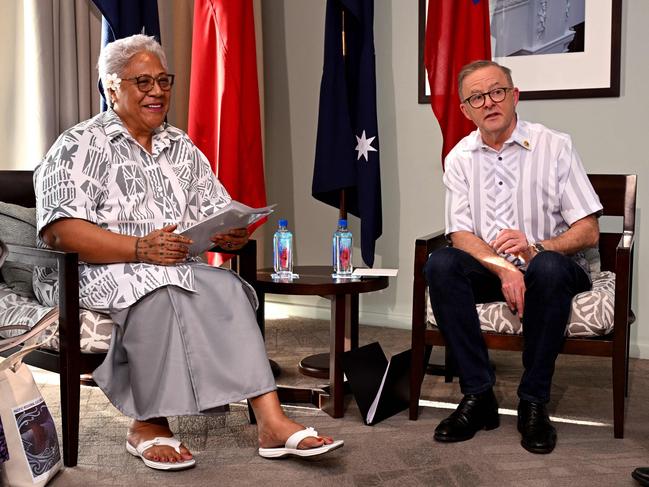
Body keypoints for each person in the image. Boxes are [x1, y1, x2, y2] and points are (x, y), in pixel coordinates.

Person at [33, 34, 342, 471]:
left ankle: (271, 421)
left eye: (164, 80)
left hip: (175, 264)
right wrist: (139, 247)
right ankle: (148, 423)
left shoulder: (181, 146)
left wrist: (227, 234)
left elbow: (214, 210)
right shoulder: (78, 145)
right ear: (111, 87)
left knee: (228, 288)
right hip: (106, 267)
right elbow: (61, 232)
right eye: (143, 82)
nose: (157, 91)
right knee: (162, 292)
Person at [425, 60, 602, 454]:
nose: (489, 102)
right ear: (464, 110)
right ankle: (479, 396)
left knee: (548, 267)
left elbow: (588, 230)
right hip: (495, 267)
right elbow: (460, 234)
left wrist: (535, 249)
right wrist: (506, 268)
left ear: (514, 95)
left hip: (556, 266)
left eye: (497, 91)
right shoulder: (459, 159)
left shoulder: (554, 145)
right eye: (476, 97)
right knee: (441, 263)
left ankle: (533, 402)